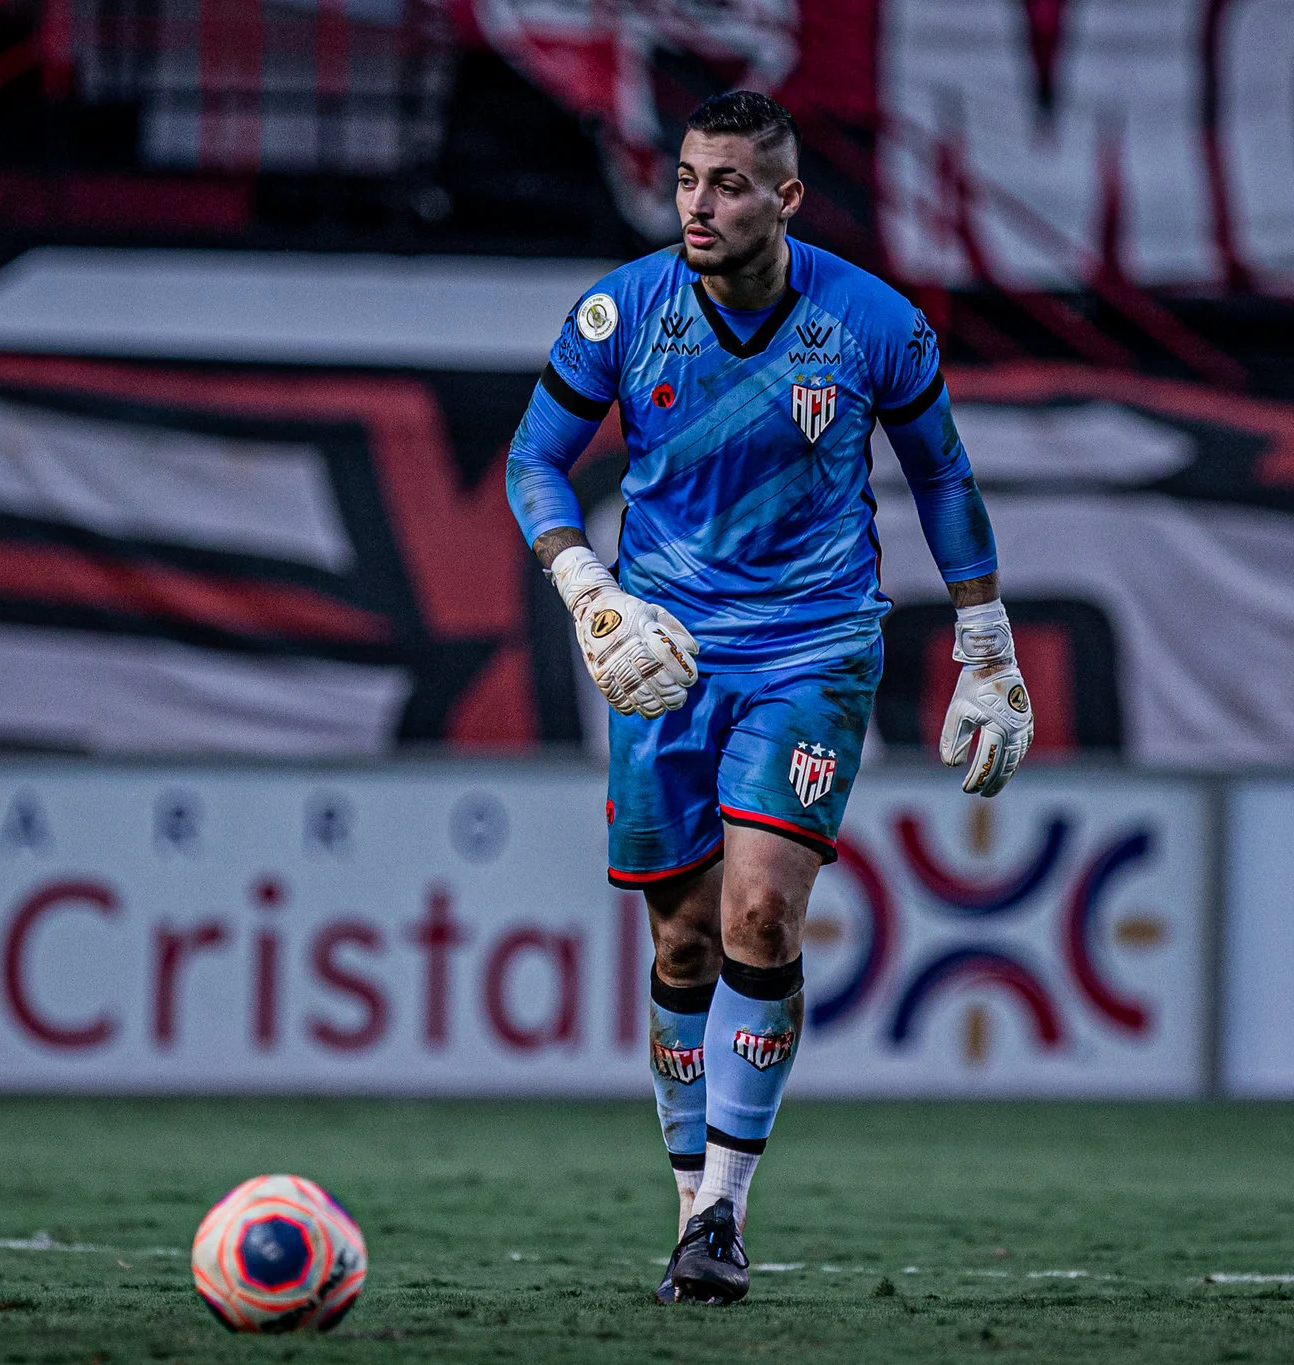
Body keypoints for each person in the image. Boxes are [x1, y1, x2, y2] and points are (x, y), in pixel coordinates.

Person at [502, 90, 1035, 1305]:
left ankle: (725, 1213)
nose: (697, 202)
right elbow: (534, 457)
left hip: (811, 647)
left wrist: (984, 642)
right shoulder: (619, 312)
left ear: (784, 198)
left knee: (757, 919)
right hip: (661, 653)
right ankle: (690, 1204)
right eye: (688, 178)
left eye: (728, 183)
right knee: (682, 938)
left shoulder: (872, 325)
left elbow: (940, 477)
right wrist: (585, 587)